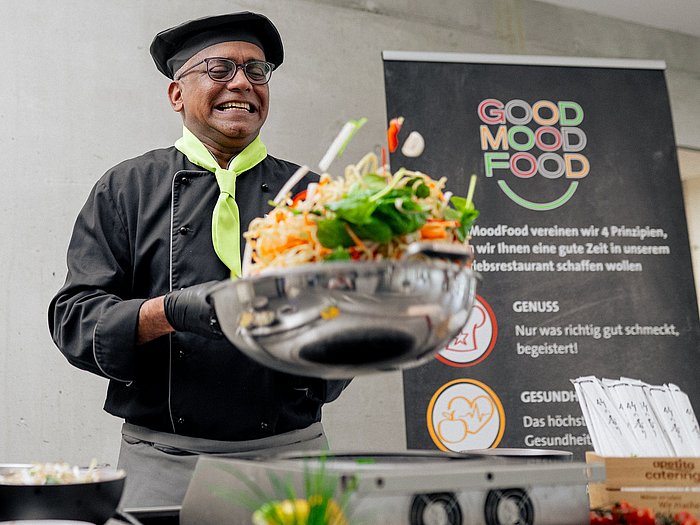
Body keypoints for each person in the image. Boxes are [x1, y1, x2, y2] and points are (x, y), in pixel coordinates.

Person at [48, 11, 349, 508]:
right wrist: (167, 312)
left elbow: (351, 318)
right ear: (176, 94)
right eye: (219, 69)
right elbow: (74, 318)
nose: (243, 83)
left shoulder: (313, 196)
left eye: (256, 70)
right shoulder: (127, 188)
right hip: (162, 462)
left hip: (293, 458)